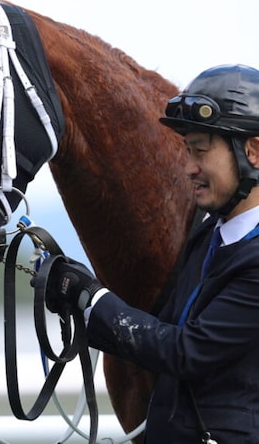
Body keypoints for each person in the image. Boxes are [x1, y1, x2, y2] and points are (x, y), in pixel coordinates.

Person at [44, 64, 259, 441]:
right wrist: (77, 302)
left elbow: (185, 351)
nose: (189, 168)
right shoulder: (209, 234)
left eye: (200, 152)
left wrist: (92, 298)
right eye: (187, 151)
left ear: (253, 152)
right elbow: (162, 326)